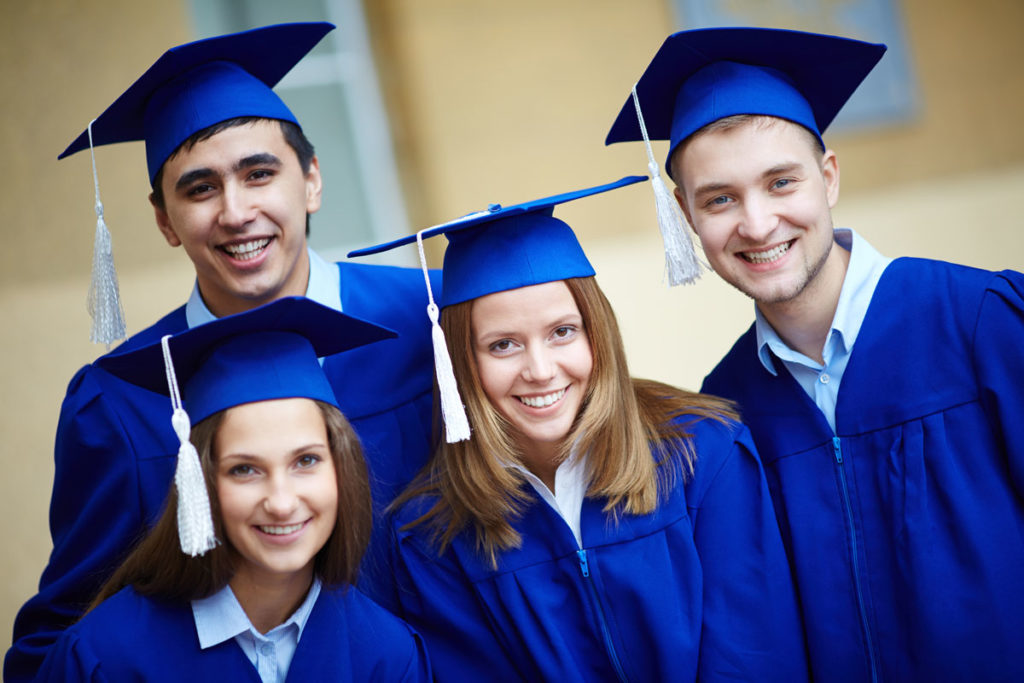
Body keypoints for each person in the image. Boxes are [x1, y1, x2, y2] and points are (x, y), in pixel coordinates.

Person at [6, 23, 438, 681]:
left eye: (259, 173)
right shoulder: (121, 398)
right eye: (200, 187)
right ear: (164, 219)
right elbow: (65, 637)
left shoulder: (427, 319)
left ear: (312, 180)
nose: (235, 211)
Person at [607, 26, 1024, 682]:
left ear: (828, 178)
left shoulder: (977, 321)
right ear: (687, 214)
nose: (757, 222)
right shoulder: (726, 410)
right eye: (720, 198)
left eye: (780, 182)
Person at [349, 176, 809, 681]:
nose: (541, 370)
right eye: (503, 344)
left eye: (562, 332)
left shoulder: (703, 453)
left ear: (598, 333)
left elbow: (754, 654)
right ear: (461, 362)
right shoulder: (434, 532)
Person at [34, 296, 430, 681]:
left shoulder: (388, 656)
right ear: (202, 483)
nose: (281, 502)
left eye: (305, 461)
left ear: (341, 467)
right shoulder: (104, 658)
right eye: (244, 470)